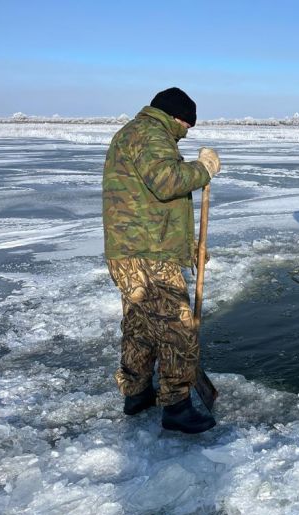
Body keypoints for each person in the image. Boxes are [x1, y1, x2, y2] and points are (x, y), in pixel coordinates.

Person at [102, 87, 221, 434]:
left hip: (133, 249)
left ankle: (136, 394)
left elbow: (151, 202)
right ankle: (177, 406)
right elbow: (168, 182)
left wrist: (189, 247)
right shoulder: (152, 135)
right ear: (176, 117)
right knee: (177, 327)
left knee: (140, 327)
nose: (187, 132)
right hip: (147, 254)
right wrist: (203, 169)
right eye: (187, 125)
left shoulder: (134, 133)